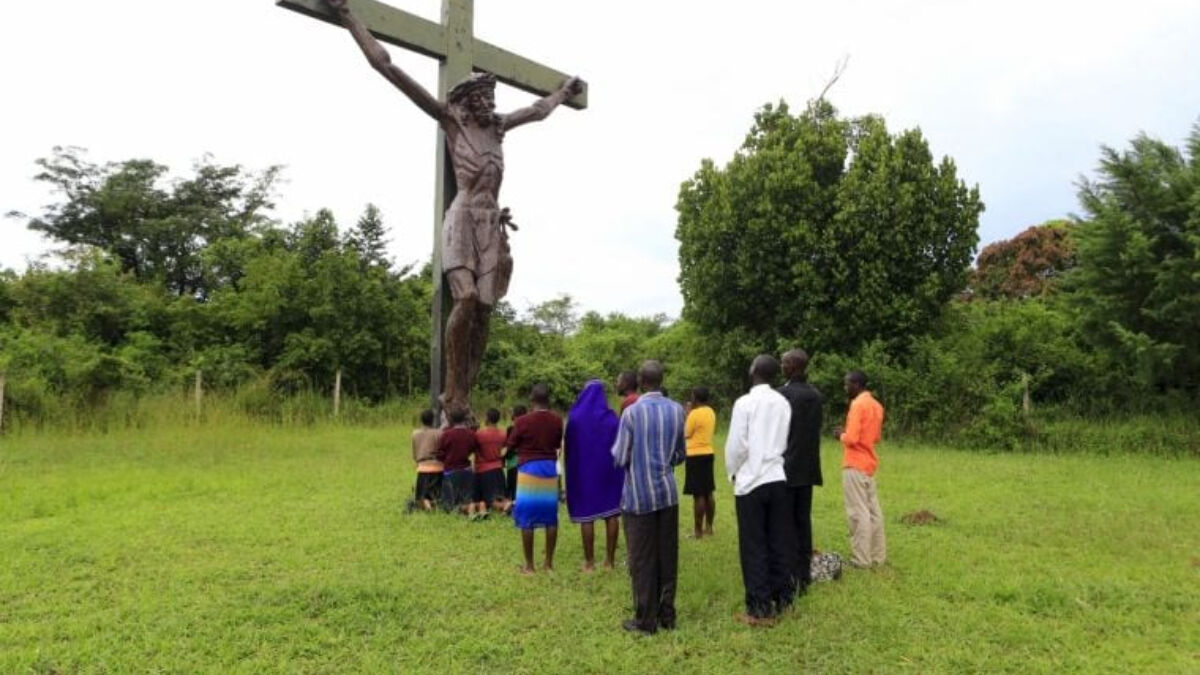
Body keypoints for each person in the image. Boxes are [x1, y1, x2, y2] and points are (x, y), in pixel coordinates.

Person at [323, 0, 584, 415]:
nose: (490, 104)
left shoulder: (498, 129)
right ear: (467, 101)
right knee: (464, 301)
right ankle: (451, 393)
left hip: (489, 223)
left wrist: (562, 93)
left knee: (484, 309)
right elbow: (388, 67)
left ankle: (466, 391)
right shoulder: (453, 121)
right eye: (483, 97)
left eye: (491, 98)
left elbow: (537, 111)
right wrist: (349, 16)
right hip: (461, 219)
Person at [611, 360, 686, 635]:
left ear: (641, 381)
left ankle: (645, 620)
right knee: (668, 555)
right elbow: (679, 454)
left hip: (638, 497)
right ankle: (667, 614)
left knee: (642, 559)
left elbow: (620, 456)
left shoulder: (631, 414)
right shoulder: (678, 410)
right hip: (667, 494)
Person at [726, 355, 797, 626]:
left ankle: (759, 608)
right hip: (777, 477)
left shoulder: (744, 403)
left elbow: (737, 446)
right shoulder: (782, 402)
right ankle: (784, 599)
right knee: (779, 541)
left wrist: (733, 472)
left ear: (754, 371)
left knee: (754, 545)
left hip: (751, 482)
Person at [564, 380, 624, 572]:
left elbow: (569, 446)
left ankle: (589, 563)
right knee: (612, 512)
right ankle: (610, 561)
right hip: (609, 470)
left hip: (583, 471)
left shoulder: (574, 418)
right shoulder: (612, 418)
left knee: (586, 515)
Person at [777, 349, 823, 593]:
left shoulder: (782, 395)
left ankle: (788, 575)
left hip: (786, 467)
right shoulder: (815, 395)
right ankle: (803, 575)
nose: (781, 366)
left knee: (785, 524)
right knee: (803, 521)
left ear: (793, 367)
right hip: (807, 467)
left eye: (784, 363)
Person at [832, 371, 886, 568]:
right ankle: (877, 556)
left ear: (856, 384)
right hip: (869, 464)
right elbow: (876, 437)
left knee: (858, 512)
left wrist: (841, 435)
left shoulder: (857, 405)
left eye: (847, 384)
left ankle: (861, 559)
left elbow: (852, 438)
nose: (845, 388)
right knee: (873, 512)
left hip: (854, 463)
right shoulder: (877, 405)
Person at [509, 383, 564, 573]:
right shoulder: (557, 420)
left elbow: (512, 443)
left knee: (526, 518)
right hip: (549, 468)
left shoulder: (522, 422)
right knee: (551, 517)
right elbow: (558, 443)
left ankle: (530, 566)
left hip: (528, 470)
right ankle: (548, 564)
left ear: (531, 400)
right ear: (549, 400)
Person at [683, 387, 717, 538]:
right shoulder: (710, 411)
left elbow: (686, 433)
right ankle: (709, 527)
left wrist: (688, 414)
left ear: (695, 398)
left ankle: (697, 531)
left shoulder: (694, 414)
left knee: (698, 495)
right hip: (708, 453)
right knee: (708, 491)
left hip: (695, 454)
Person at [438, 407, 481, 517]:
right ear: (464, 419)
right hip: (467, 471)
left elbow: (440, 454)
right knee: (466, 497)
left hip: (450, 471)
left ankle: (468, 508)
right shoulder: (471, 434)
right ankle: (478, 505)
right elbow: (475, 449)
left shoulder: (446, 434)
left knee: (449, 506)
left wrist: (446, 459)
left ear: (450, 419)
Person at [474, 408, 511, 516]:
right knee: (499, 495)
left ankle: (506, 505)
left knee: (489, 500)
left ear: (487, 418)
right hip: (498, 468)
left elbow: (475, 448)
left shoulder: (480, 434)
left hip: (484, 470)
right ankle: (506, 503)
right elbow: (506, 447)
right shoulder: (503, 433)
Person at [411, 409, 443, 512]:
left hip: (423, 466)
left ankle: (427, 505)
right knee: (436, 492)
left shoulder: (415, 434)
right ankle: (434, 503)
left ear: (421, 420)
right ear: (433, 420)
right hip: (438, 466)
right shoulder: (439, 433)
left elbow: (415, 454)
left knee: (421, 496)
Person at [503, 405, 527, 501]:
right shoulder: (528, 428)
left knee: (512, 487)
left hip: (513, 462)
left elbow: (509, 446)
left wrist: (504, 457)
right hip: (525, 462)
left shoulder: (511, 429)